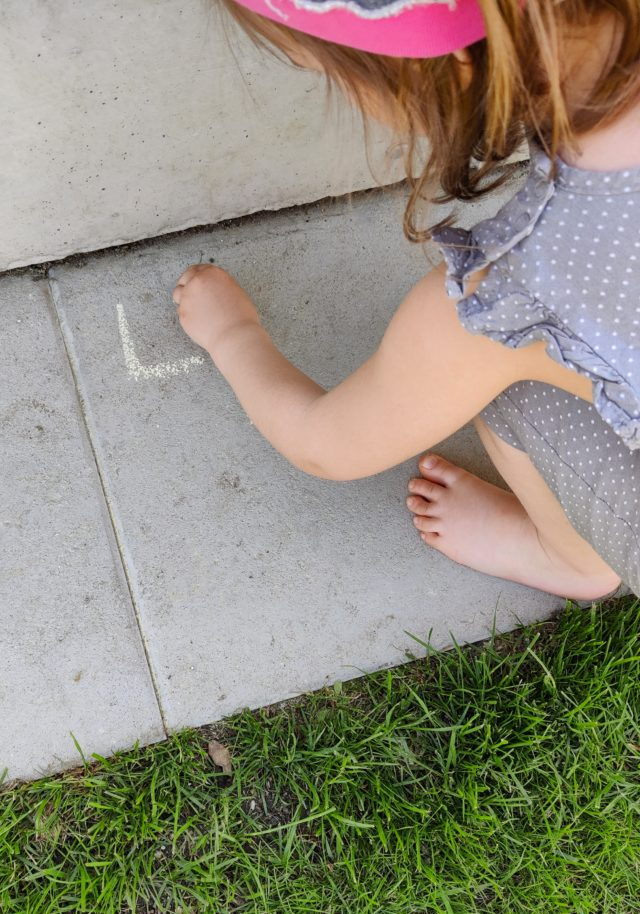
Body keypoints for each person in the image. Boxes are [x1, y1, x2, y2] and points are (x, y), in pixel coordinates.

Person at [171, 0, 640, 600]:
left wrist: (232, 334)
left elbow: (325, 445)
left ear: (446, 71)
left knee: (507, 365)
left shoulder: (519, 286)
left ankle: (573, 561)